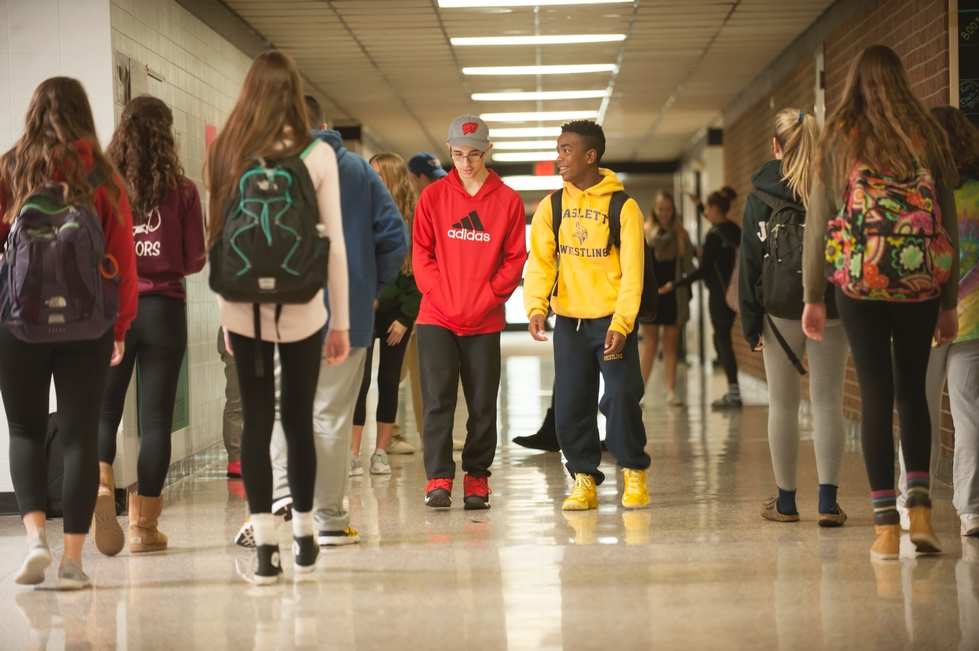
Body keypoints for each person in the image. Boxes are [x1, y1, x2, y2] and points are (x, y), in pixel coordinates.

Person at [802, 45, 959, 561]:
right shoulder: (927, 135)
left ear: (853, 83)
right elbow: (948, 219)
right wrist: (947, 298)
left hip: (859, 283)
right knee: (913, 391)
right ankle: (921, 511)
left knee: (874, 393)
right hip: (919, 282)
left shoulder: (840, 138)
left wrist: (813, 295)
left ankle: (885, 527)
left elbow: (820, 219)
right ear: (902, 79)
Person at [207, 51, 351, 584]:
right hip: (303, 304)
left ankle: (265, 544)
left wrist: (226, 313)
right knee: (296, 418)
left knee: (255, 422)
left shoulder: (226, 150)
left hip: (240, 304)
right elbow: (332, 244)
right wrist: (340, 323)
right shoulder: (316, 153)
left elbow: (218, 237)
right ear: (293, 93)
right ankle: (306, 531)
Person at [0, 77, 138, 588]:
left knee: (25, 432)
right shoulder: (101, 173)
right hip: (87, 324)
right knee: (80, 437)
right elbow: (121, 260)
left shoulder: (11, 168)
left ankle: (36, 539)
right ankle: (73, 561)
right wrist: (119, 326)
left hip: (17, 323)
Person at [260, 95, 406, 549]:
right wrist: (369, 289)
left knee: (283, 409)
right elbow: (394, 237)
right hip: (346, 314)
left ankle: (285, 492)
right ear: (325, 123)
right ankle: (327, 518)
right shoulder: (359, 171)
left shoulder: (269, 170)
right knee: (329, 417)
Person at [90, 96, 206, 557]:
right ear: (167, 135)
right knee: (156, 419)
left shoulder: (101, 187)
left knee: (104, 411)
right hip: (164, 309)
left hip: (112, 309)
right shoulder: (183, 189)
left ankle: (101, 481)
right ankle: (143, 529)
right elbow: (195, 258)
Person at [525, 120, 650, 511]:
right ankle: (582, 477)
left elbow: (634, 273)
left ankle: (633, 471)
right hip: (571, 325)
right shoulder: (553, 205)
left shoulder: (623, 207)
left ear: (590, 156)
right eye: (559, 149)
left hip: (612, 321)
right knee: (571, 405)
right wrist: (536, 306)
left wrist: (622, 323)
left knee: (622, 396)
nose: (559, 157)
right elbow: (541, 263)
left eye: (566, 150)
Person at [739, 108, 849, 526]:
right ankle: (827, 502)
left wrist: (750, 324)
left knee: (782, 406)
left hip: (779, 310)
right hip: (831, 304)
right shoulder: (836, 189)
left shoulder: (761, 196)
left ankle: (785, 503)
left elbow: (750, 264)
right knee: (827, 402)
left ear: (775, 147)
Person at [413, 115, 527, 510]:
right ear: (450, 152)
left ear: (487, 152)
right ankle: (438, 477)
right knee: (438, 400)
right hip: (437, 317)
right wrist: (441, 296)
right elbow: (422, 255)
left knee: (482, 402)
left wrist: (488, 297)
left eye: (474, 155)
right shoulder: (433, 198)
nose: (466, 163)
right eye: (458, 155)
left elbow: (514, 259)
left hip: (483, 318)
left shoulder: (507, 201)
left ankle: (477, 476)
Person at [896, 106, 979, 537]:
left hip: (922, 318)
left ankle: (913, 501)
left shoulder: (916, 194)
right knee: (970, 417)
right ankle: (972, 510)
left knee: (918, 412)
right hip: (974, 321)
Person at [351, 153, 422, 475]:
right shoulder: (360, 213)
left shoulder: (413, 219)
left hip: (397, 317)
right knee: (359, 382)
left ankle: (380, 451)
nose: (373, 180)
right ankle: (354, 453)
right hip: (366, 311)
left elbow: (417, 275)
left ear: (392, 179)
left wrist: (406, 317)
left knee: (389, 381)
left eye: (379, 175)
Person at [661, 187, 742, 408]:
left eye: (707, 208)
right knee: (722, 339)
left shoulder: (714, 235)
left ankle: (734, 393)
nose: (706, 212)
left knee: (722, 341)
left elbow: (704, 270)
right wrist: (698, 203)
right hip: (736, 294)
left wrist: (675, 284)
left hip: (719, 296)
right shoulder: (734, 230)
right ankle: (733, 390)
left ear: (715, 208)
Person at [640, 191, 694, 405]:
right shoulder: (645, 233)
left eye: (668, 210)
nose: (664, 213)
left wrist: (679, 286)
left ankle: (671, 391)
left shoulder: (681, 235)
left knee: (671, 346)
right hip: (651, 296)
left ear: (673, 211)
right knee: (649, 345)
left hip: (673, 296)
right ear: (655, 210)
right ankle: (640, 393)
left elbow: (689, 268)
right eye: (661, 209)